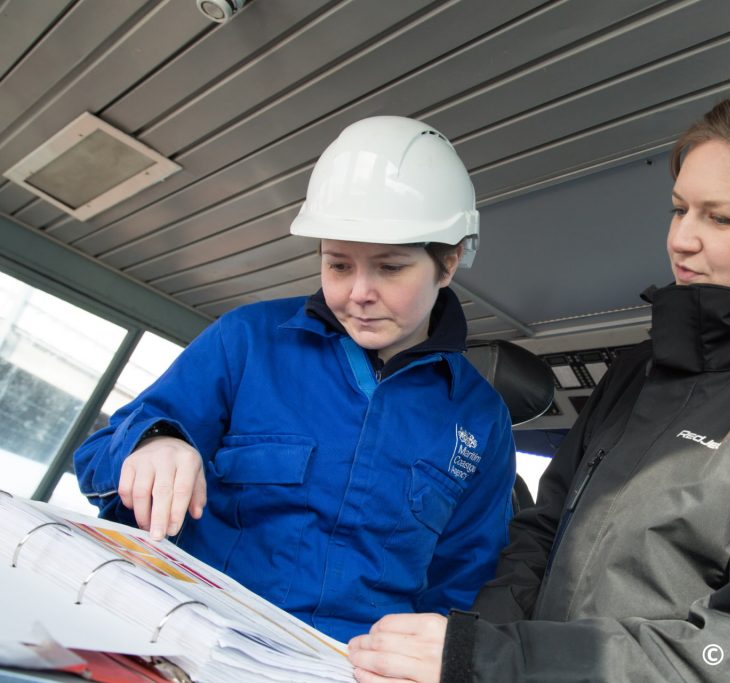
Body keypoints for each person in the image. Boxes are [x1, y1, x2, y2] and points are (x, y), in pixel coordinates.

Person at [347, 91, 730, 682]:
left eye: (719, 217)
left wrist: (503, 663)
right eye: (680, 210)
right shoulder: (638, 373)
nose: (681, 238)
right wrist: (469, 650)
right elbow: (539, 537)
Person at [74, 116, 516, 643]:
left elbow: (460, 588)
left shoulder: (481, 420)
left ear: (448, 263)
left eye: (390, 268)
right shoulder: (247, 341)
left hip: (343, 666)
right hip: (188, 636)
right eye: (338, 265)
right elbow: (100, 455)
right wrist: (154, 442)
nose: (358, 292)